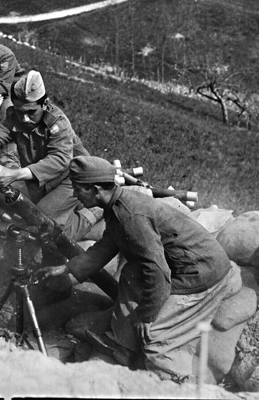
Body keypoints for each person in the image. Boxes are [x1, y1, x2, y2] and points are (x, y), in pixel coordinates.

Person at [36, 155, 237, 382]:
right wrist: (66, 269)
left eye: (77, 189)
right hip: (179, 265)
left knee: (155, 339)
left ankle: (172, 383)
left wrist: (146, 315)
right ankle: (124, 348)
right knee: (131, 274)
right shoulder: (116, 207)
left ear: (94, 189)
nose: (74, 195)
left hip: (200, 274)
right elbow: (105, 247)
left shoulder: (130, 215)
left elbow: (158, 271)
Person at [0, 69, 103, 242]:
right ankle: (74, 212)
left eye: (31, 112)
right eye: (19, 111)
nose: (24, 119)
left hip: (72, 179)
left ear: (44, 104)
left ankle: (93, 213)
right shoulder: (14, 116)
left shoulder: (58, 123)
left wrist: (16, 174)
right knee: (32, 217)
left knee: (43, 222)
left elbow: (60, 160)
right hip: (41, 180)